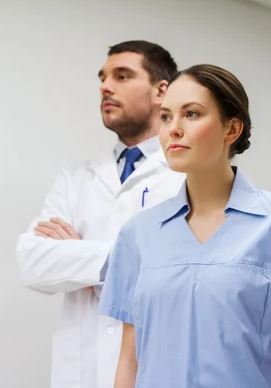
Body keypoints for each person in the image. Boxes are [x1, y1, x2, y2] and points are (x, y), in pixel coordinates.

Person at [98, 64, 271, 387]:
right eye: (165, 117)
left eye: (191, 114)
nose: (173, 129)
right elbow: (129, 362)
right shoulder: (137, 234)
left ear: (231, 129)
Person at [16, 40, 184, 388]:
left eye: (122, 76)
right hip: (81, 373)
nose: (105, 87)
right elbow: (32, 264)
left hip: (158, 370)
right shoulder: (75, 178)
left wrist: (78, 256)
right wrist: (122, 261)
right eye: (103, 78)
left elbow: (180, 272)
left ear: (161, 91)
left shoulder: (187, 174)